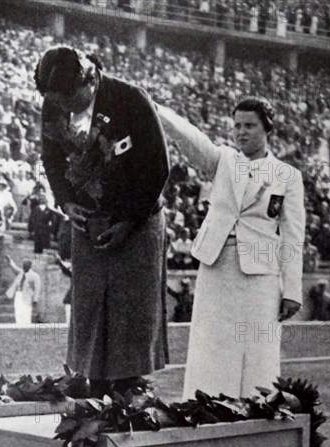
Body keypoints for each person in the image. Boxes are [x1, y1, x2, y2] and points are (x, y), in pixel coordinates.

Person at [36, 46, 170, 398]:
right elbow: (50, 157)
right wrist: (65, 200)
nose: (63, 108)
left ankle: (130, 391)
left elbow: (158, 167)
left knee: (130, 309)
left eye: (70, 99)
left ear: (90, 80)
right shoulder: (53, 104)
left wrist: (128, 220)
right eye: (56, 101)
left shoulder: (131, 100)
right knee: (90, 307)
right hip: (89, 222)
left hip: (137, 219)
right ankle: (93, 387)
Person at [158, 97, 305, 398]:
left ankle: (256, 413)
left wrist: (291, 289)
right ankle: (204, 409)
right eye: (237, 125)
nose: (241, 132)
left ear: (268, 129)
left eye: (249, 125)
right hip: (216, 264)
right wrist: (158, 110)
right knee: (210, 344)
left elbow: (292, 236)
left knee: (257, 350)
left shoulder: (287, 176)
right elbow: (192, 140)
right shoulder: (223, 160)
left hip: (261, 275)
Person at [5, 256, 41, 325]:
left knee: (26, 313)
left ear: (29, 266)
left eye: (25, 266)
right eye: (23, 265)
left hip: (27, 296)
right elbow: (14, 267)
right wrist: (10, 261)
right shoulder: (21, 272)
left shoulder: (34, 276)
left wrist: (35, 300)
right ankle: (19, 326)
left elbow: (37, 288)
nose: (24, 267)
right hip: (18, 295)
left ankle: (26, 328)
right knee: (18, 311)